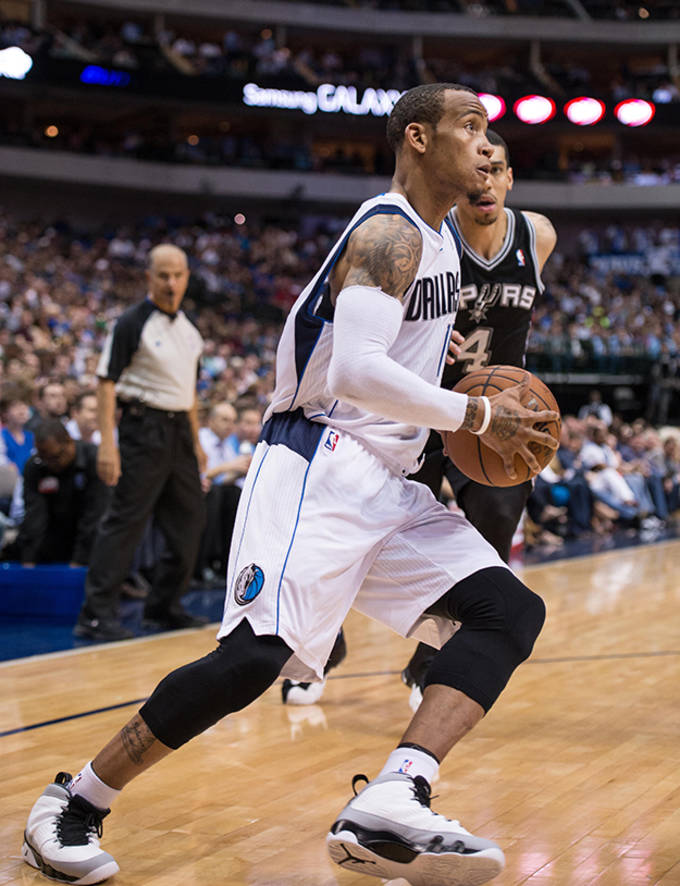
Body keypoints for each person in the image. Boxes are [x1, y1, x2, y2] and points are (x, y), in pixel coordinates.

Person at [22, 84, 558, 886]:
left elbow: (406, 352)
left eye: (493, 134)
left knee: (507, 610)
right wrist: (478, 417)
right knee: (254, 660)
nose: (488, 145)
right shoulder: (390, 232)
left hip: (390, 475)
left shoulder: (444, 242)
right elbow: (354, 370)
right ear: (417, 138)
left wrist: (463, 389)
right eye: (470, 128)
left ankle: (396, 794)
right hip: (320, 457)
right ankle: (74, 802)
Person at [283, 128, 558, 706]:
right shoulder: (429, 238)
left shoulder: (537, 236)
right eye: (478, 171)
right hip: (419, 408)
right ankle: (320, 645)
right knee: (363, 534)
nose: (486, 181)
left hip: (492, 419)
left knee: (488, 541)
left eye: (498, 170)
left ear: (509, 179)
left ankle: (430, 663)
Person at [73, 244, 207, 642]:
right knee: (124, 523)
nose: (171, 283)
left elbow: (190, 393)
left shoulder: (191, 333)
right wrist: (108, 444)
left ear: (186, 277)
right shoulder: (132, 322)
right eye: (163, 275)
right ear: (149, 277)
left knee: (190, 522)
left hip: (180, 431)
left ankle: (163, 606)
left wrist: (197, 442)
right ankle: (96, 615)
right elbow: (106, 381)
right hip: (141, 428)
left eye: (178, 275)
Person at [14, 420, 109, 566]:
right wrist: (28, 560)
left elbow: (95, 513)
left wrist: (79, 560)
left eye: (55, 458)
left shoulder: (94, 460)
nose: (50, 464)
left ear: (69, 442)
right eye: (43, 458)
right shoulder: (36, 466)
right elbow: (34, 514)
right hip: (54, 537)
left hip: (91, 537)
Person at [196, 401, 251, 581]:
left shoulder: (225, 444)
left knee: (235, 493)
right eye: (225, 420)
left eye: (233, 421)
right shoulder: (201, 439)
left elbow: (224, 481)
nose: (230, 425)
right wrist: (228, 466)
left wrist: (240, 472)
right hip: (199, 493)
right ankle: (201, 564)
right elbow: (200, 476)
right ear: (211, 421)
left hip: (215, 494)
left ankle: (225, 564)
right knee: (216, 493)